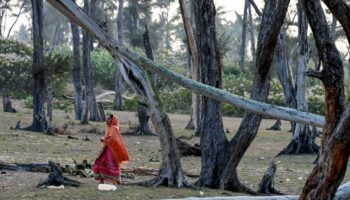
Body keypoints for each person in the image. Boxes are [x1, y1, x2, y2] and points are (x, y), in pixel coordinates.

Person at [93, 114, 129, 188]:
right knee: (101, 162)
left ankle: (115, 181)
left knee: (110, 164)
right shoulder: (109, 128)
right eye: (107, 119)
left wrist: (103, 139)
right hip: (106, 148)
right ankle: (101, 180)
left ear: (113, 120)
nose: (107, 120)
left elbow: (112, 139)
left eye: (109, 119)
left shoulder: (114, 128)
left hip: (111, 151)